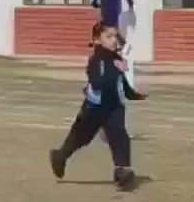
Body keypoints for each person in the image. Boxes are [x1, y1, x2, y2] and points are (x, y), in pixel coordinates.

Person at [48, 23, 145, 191]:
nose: (114, 40)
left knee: (119, 136)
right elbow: (99, 81)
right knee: (80, 137)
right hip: (95, 107)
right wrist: (100, 80)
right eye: (109, 37)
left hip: (114, 106)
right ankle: (60, 156)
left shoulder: (115, 58)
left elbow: (120, 82)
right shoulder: (97, 60)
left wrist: (132, 94)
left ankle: (122, 170)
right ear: (97, 40)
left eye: (115, 36)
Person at [90, 0, 137, 87]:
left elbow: (94, 3)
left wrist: (100, 4)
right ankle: (120, 50)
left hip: (106, 18)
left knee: (108, 35)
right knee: (114, 35)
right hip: (115, 19)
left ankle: (114, 52)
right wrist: (131, 7)